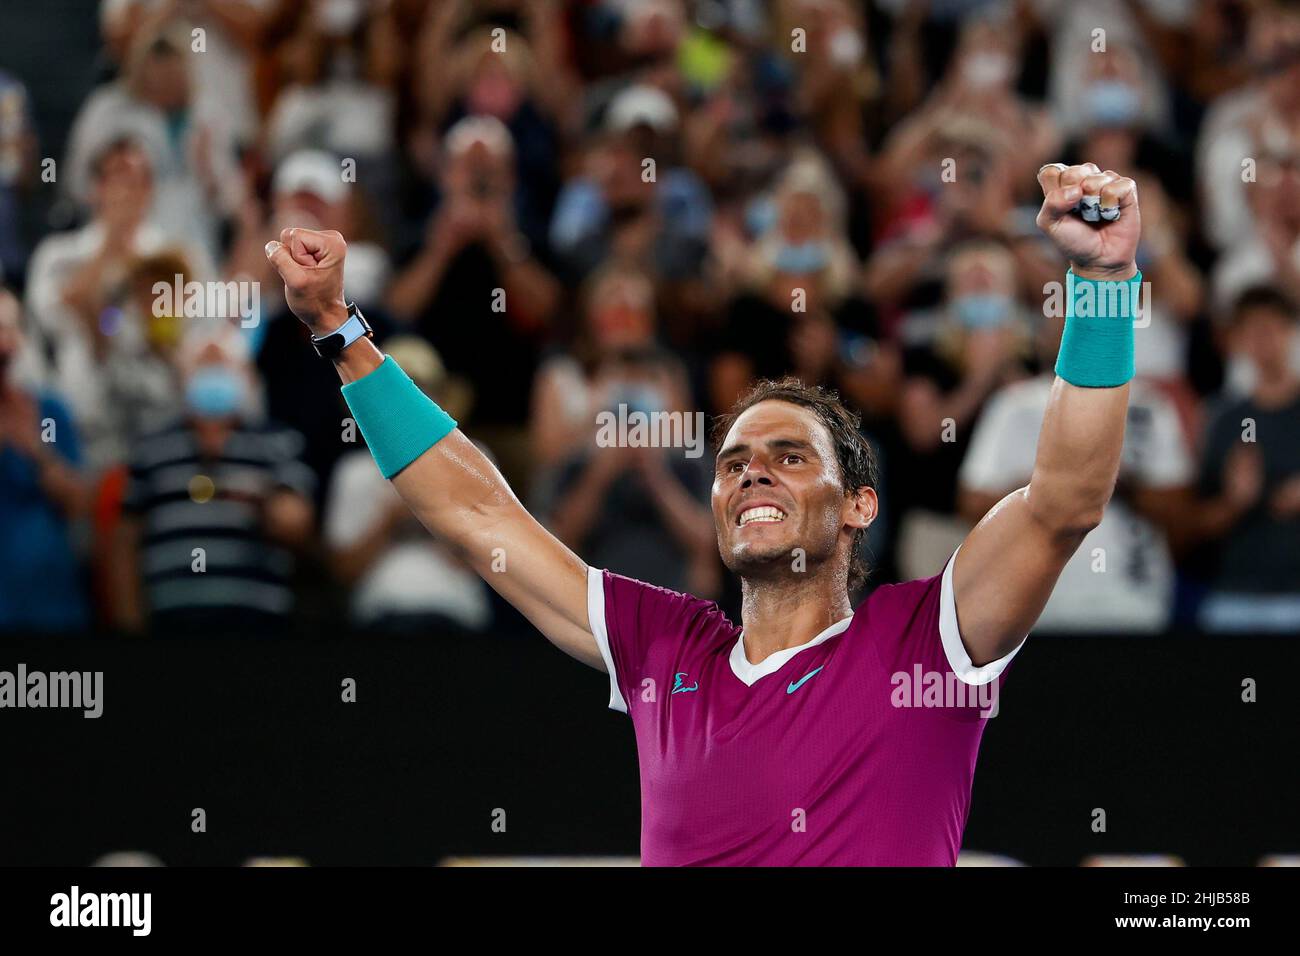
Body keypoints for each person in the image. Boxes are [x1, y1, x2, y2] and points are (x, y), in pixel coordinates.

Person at [264, 160, 1142, 865]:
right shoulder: (664, 648)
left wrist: (1101, 283)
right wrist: (339, 331)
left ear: (858, 506)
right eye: (733, 464)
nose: (753, 475)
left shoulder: (928, 642)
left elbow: (1063, 502)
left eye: (790, 458)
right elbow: (479, 519)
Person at [110, 325, 315, 635]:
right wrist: (130, 623)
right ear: (183, 376)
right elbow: (124, 542)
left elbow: (297, 527)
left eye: (222, 366)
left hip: (256, 623)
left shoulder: (277, 443)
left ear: (245, 375)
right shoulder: (151, 448)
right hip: (170, 621)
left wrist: (261, 500)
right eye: (203, 366)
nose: (212, 375)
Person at [1190, 286, 1300, 633]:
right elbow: (1196, 523)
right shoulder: (1223, 420)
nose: (1264, 338)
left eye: (1272, 326)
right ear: (1238, 339)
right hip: (1235, 596)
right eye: (1253, 329)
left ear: (1290, 331)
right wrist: (1235, 503)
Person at [0, 289, 89, 633]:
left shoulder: (50, 413)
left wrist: (35, 449)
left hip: (52, 608)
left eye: (9, 329)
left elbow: (79, 503)